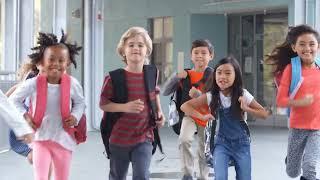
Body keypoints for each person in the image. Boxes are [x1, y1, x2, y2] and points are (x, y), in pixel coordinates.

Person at [9, 31, 85, 180]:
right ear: (42, 61)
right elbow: (13, 100)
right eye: (51, 59)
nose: (56, 63)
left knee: (62, 177)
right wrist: (24, 116)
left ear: (68, 63)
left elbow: (80, 103)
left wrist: (75, 116)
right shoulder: (33, 84)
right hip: (40, 139)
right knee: (41, 177)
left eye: (61, 60)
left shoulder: (73, 84)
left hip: (63, 140)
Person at [181, 56, 269, 180]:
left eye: (228, 73)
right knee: (220, 177)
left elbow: (264, 114)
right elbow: (185, 106)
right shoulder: (211, 96)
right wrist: (203, 116)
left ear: (236, 76)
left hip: (242, 144)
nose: (223, 77)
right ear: (215, 76)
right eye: (219, 73)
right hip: (221, 144)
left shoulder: (243, 94)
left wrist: (246, 108)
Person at [99, 26, 165, 180]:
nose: (136, 48)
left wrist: (159, 113)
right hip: (118, 139)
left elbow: (154, 93)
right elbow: (103, 103)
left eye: (140, 45)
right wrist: (125, 107)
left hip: (144, 136)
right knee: (118, 176)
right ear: (123, 51)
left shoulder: (151, 74)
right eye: (131, 45)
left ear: (147, 50)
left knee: (141, 175)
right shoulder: (114, 78)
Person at [267, 24, 320, 180]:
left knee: (310, 167)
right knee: (292, 172)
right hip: (298, 126)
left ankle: (306, 162)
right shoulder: (291, 69)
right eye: (302, 44)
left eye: (312, 44)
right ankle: (292, 159)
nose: (307, 48)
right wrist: (300, 102)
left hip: (317, 127)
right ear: (294, 47)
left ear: (318, 46)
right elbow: (281, 101)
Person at [162, 39, 214, 180]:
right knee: (184, 140)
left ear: (211, 56)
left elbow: (219, 97)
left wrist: (200, 96)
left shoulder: (214, 75)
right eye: (196, 52)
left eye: (204, 53)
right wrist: (176, 77)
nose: (199, 56)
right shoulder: (185, 74)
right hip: (189, 114)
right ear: (191, 56)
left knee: (204, 147)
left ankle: (203, 176)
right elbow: (165, 91)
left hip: (208, 116)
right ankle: (187, 173)